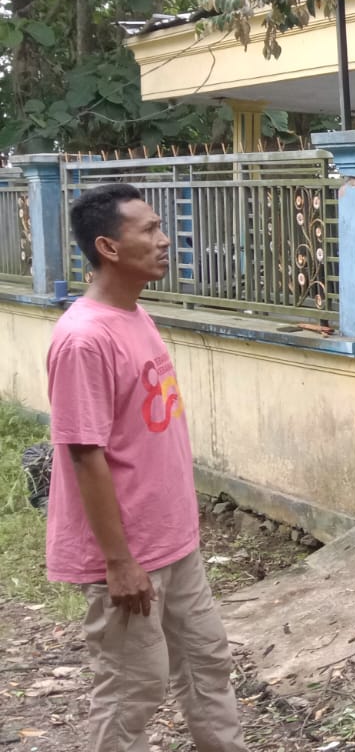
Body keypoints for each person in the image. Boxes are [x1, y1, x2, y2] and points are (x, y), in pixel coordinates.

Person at [45, 183, 247, 752]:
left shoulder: (135, 314)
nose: (166, 241)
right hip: (128, 555)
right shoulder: (84, 339)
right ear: (108, 247)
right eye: (150, 231)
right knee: (134, 689)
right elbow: (84, 454)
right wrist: (118, 563)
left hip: (173, 543)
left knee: (208, 664)